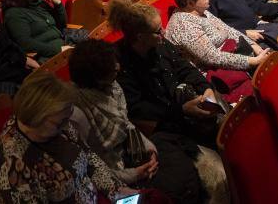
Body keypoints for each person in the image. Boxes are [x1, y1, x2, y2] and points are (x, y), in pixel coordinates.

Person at [68, 40, 204, 203]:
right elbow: (94, 164)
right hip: (116, 172)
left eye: (115, 62)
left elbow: (126, 124)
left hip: (132, 153)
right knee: (172, 189)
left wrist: (149, 149)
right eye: (112, 67)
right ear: (96, 78)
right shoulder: (77, 111)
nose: (118, 67)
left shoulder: (113, 86)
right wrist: (135, 174)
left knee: (183, 167)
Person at [0, 71, 128, 204]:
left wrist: (116, 190)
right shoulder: (14, 166)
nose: (66, 126)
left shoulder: (59, 125)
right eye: (60, 122)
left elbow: (90, 158)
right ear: (36, 118)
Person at [109, 0, 219, 145]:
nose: (164, 32)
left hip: (182, 110)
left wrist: (206, 88)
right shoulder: (118, 63)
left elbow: (185, 68)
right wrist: (181, 110)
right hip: (161, 130)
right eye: (158, 31)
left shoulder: (159, 43)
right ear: (140, 36)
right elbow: (137, 109)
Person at [167, 0, 270, 73]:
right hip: (214, 74)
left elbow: (228, 30)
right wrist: (252, 61)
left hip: (233, 53)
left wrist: (253, 46)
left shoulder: (200, 10)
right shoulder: (184, 25)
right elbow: (212, 57)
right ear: (190, 3)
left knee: (267, 48)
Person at [3, 0, 88, 61]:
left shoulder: (38, 2)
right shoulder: (14, 15)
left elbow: (62, 25)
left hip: (63, 42)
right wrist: (58, 49)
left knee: (92, 44)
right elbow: (26, 44)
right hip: (49, 56)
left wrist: (58, 4)